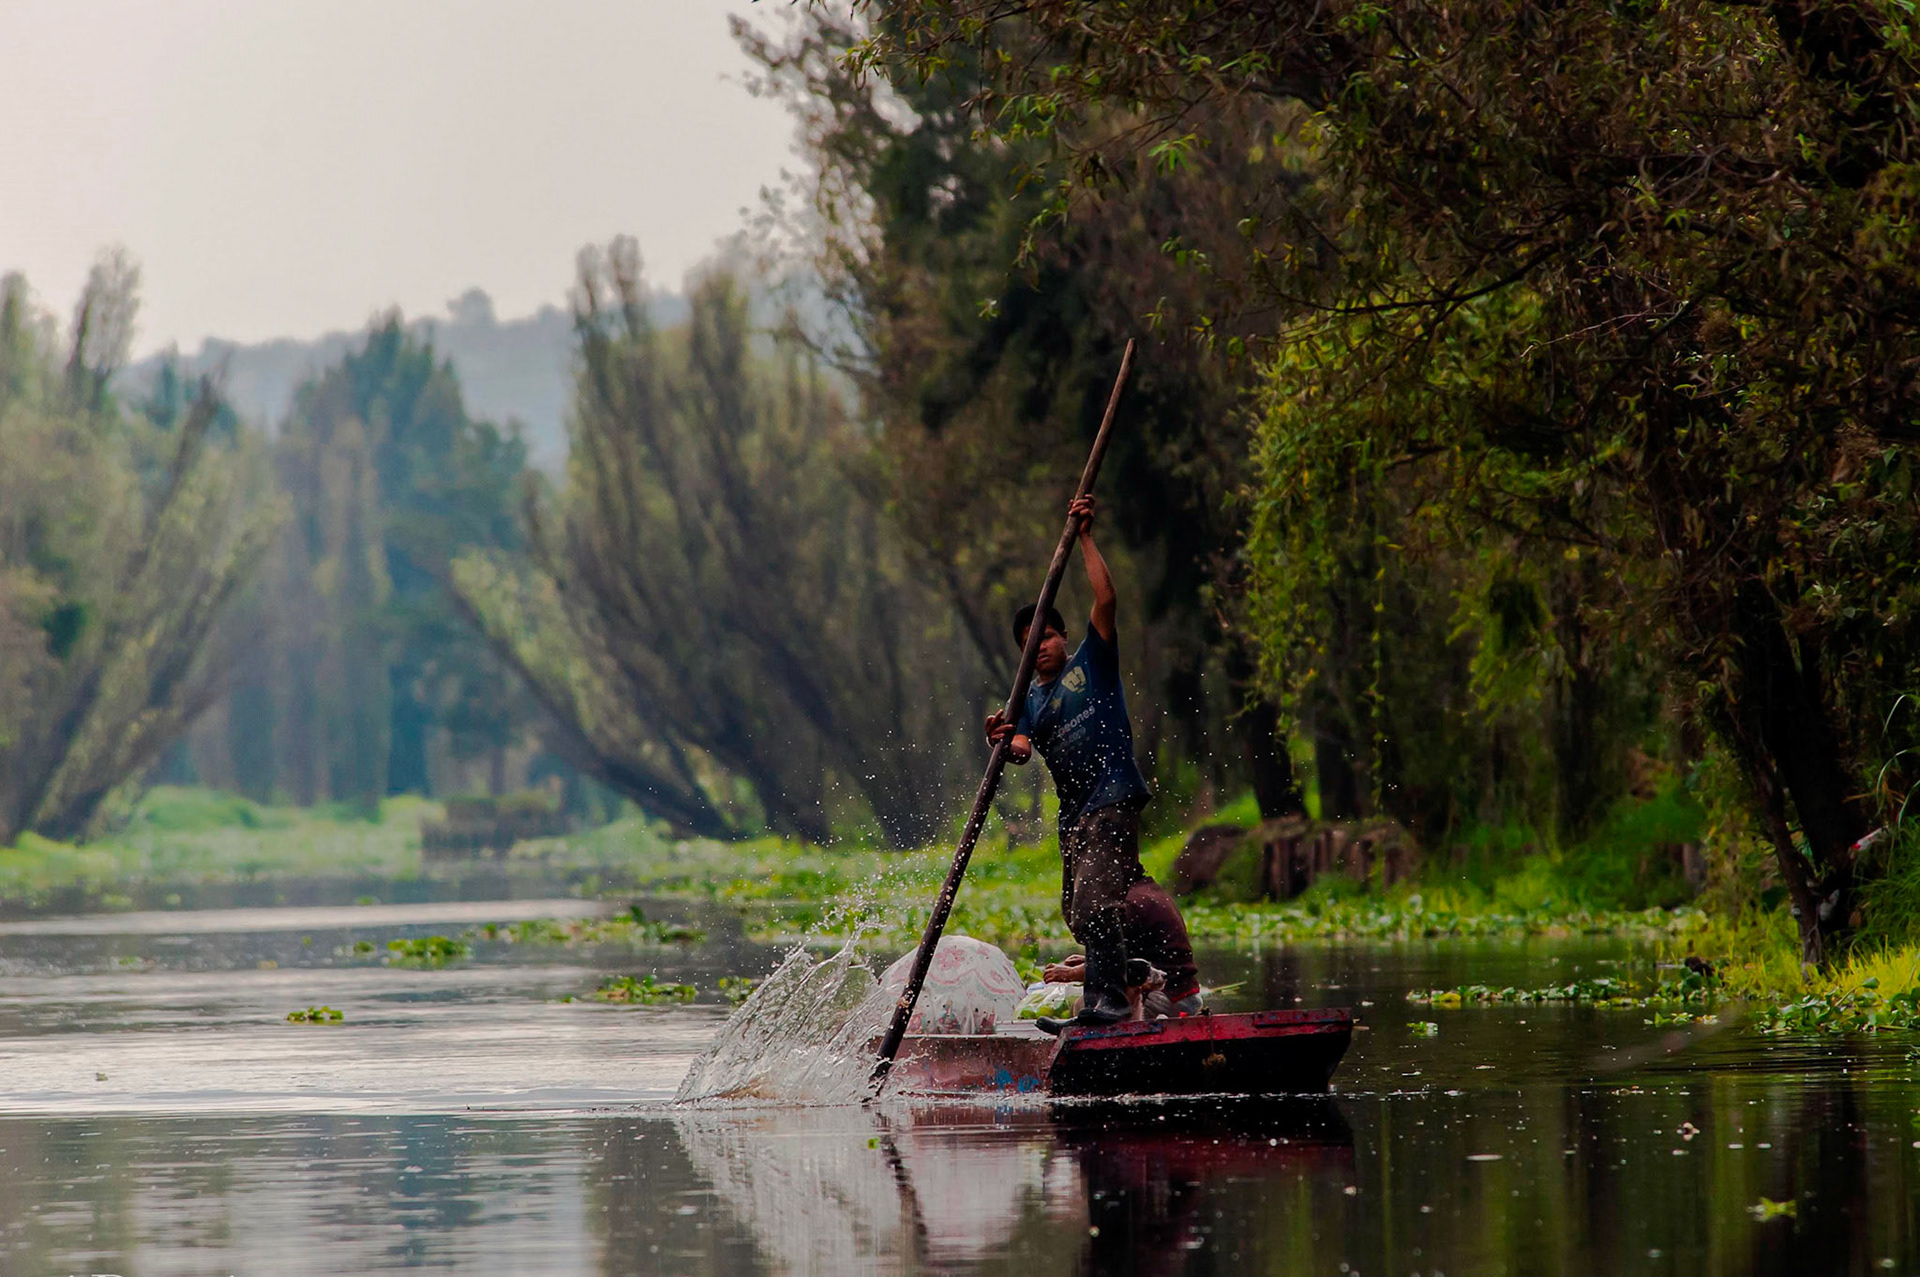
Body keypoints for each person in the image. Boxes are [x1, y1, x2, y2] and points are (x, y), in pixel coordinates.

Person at [986, 495, 1202, 1032]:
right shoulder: (1029, 701)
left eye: (1046, 636)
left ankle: (1106, 1006)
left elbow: (1106, 598)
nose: (1040, 647)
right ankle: (1127, 980)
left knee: (1095, 900)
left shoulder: (1093, 661)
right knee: (1079, 913)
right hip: (1075, 816)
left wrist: (1084, 536)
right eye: (1029, 644)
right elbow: (1020, 750)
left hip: (1112, 796)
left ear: (1062, 637)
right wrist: (1001, 738)